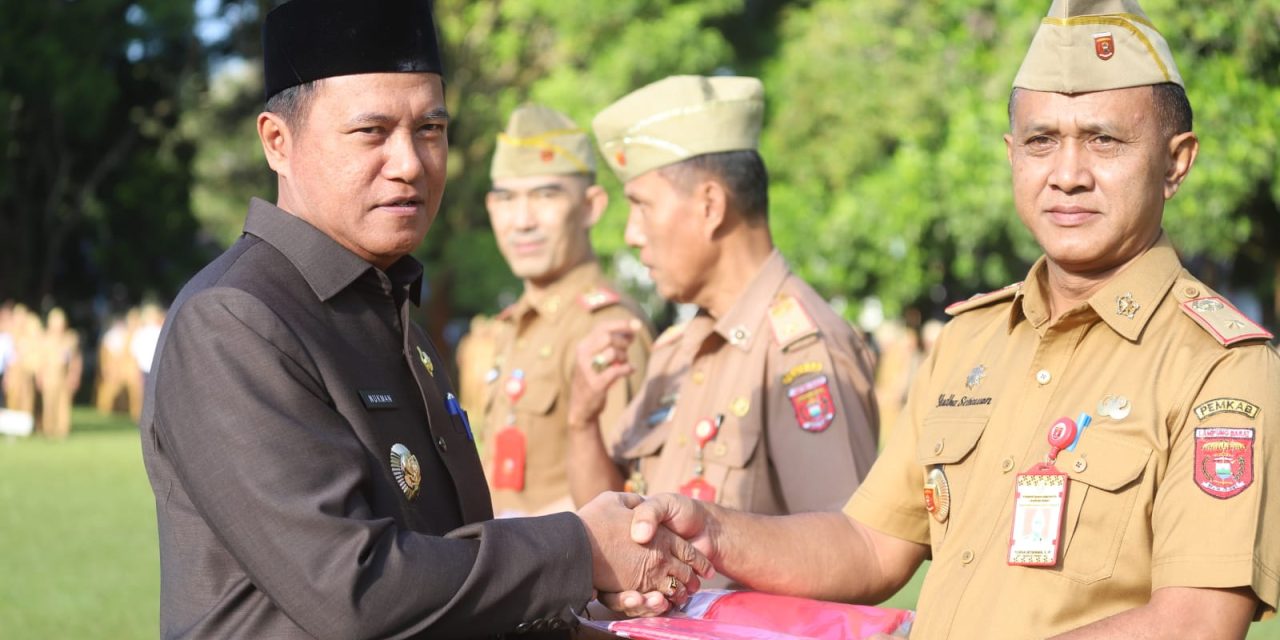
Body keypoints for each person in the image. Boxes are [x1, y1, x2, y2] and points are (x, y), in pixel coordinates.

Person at [619, 1, 1280, 636]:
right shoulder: (973, 339)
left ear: (1176, 161)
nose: (1068, 173)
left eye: (1105, 140)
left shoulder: (1222, 365)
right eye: (1042, 140)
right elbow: (870, 546)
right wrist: (714, 530)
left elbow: (1193, 622)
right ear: (1011, 152)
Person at [138, 2, 708, 638]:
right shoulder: (237, 319)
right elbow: (353, 589)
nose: (409, 163)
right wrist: (581, 550)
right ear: (278, 142)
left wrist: (582, 608)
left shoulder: (384, 300)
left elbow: (446, 562)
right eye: (371, 133)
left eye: (430, 130)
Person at [566, 75, 880, 518]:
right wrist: (582, 420)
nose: (631, 234)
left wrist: (715, 540)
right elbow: (608, 522)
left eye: (642, 206)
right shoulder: (676, 352)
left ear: (710, 206)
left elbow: (848, 552)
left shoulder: (803, 352)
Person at [481, 104, 652, 518]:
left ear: (591, 207)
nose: (521, 220)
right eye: (506, 198)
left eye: (545, 195)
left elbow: (624, 496)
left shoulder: (606, 326)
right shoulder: (511, 326)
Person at [35, 307, 81, 439]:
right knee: (49, 404)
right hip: (49, 376)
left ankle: (62, 430)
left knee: (64, 405)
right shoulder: (45, 339)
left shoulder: (70, 338)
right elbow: (40, 360)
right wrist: (40, 376)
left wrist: (74, 375)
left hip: (64, 376)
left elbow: (75, 360)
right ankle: (49, 429)